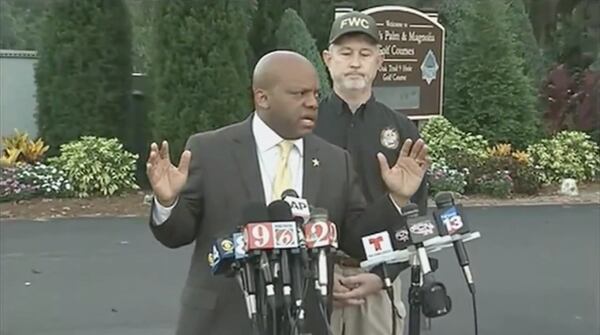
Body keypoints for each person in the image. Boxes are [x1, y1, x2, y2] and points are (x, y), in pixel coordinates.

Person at [146, 51, 429, 335]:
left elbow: (356, 241)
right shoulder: (210, 150)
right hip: (223, 320)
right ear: (262, 98)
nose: (312, 103)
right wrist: (168, 202)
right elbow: (177, 234)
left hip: (306, 322)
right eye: (299, 93)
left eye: (316, 94)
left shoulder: (334, 161)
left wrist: (396, 199)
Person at [314, 11, 428, 335]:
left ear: (379, 61)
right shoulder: (306, 125)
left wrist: (385, 274)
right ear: (328, 59)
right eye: (345, 53)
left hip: (379, 283)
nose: (355, 63)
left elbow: (416, 213)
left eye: (365, 54)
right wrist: (315, 272)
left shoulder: (402, 129)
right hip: (317, 280)